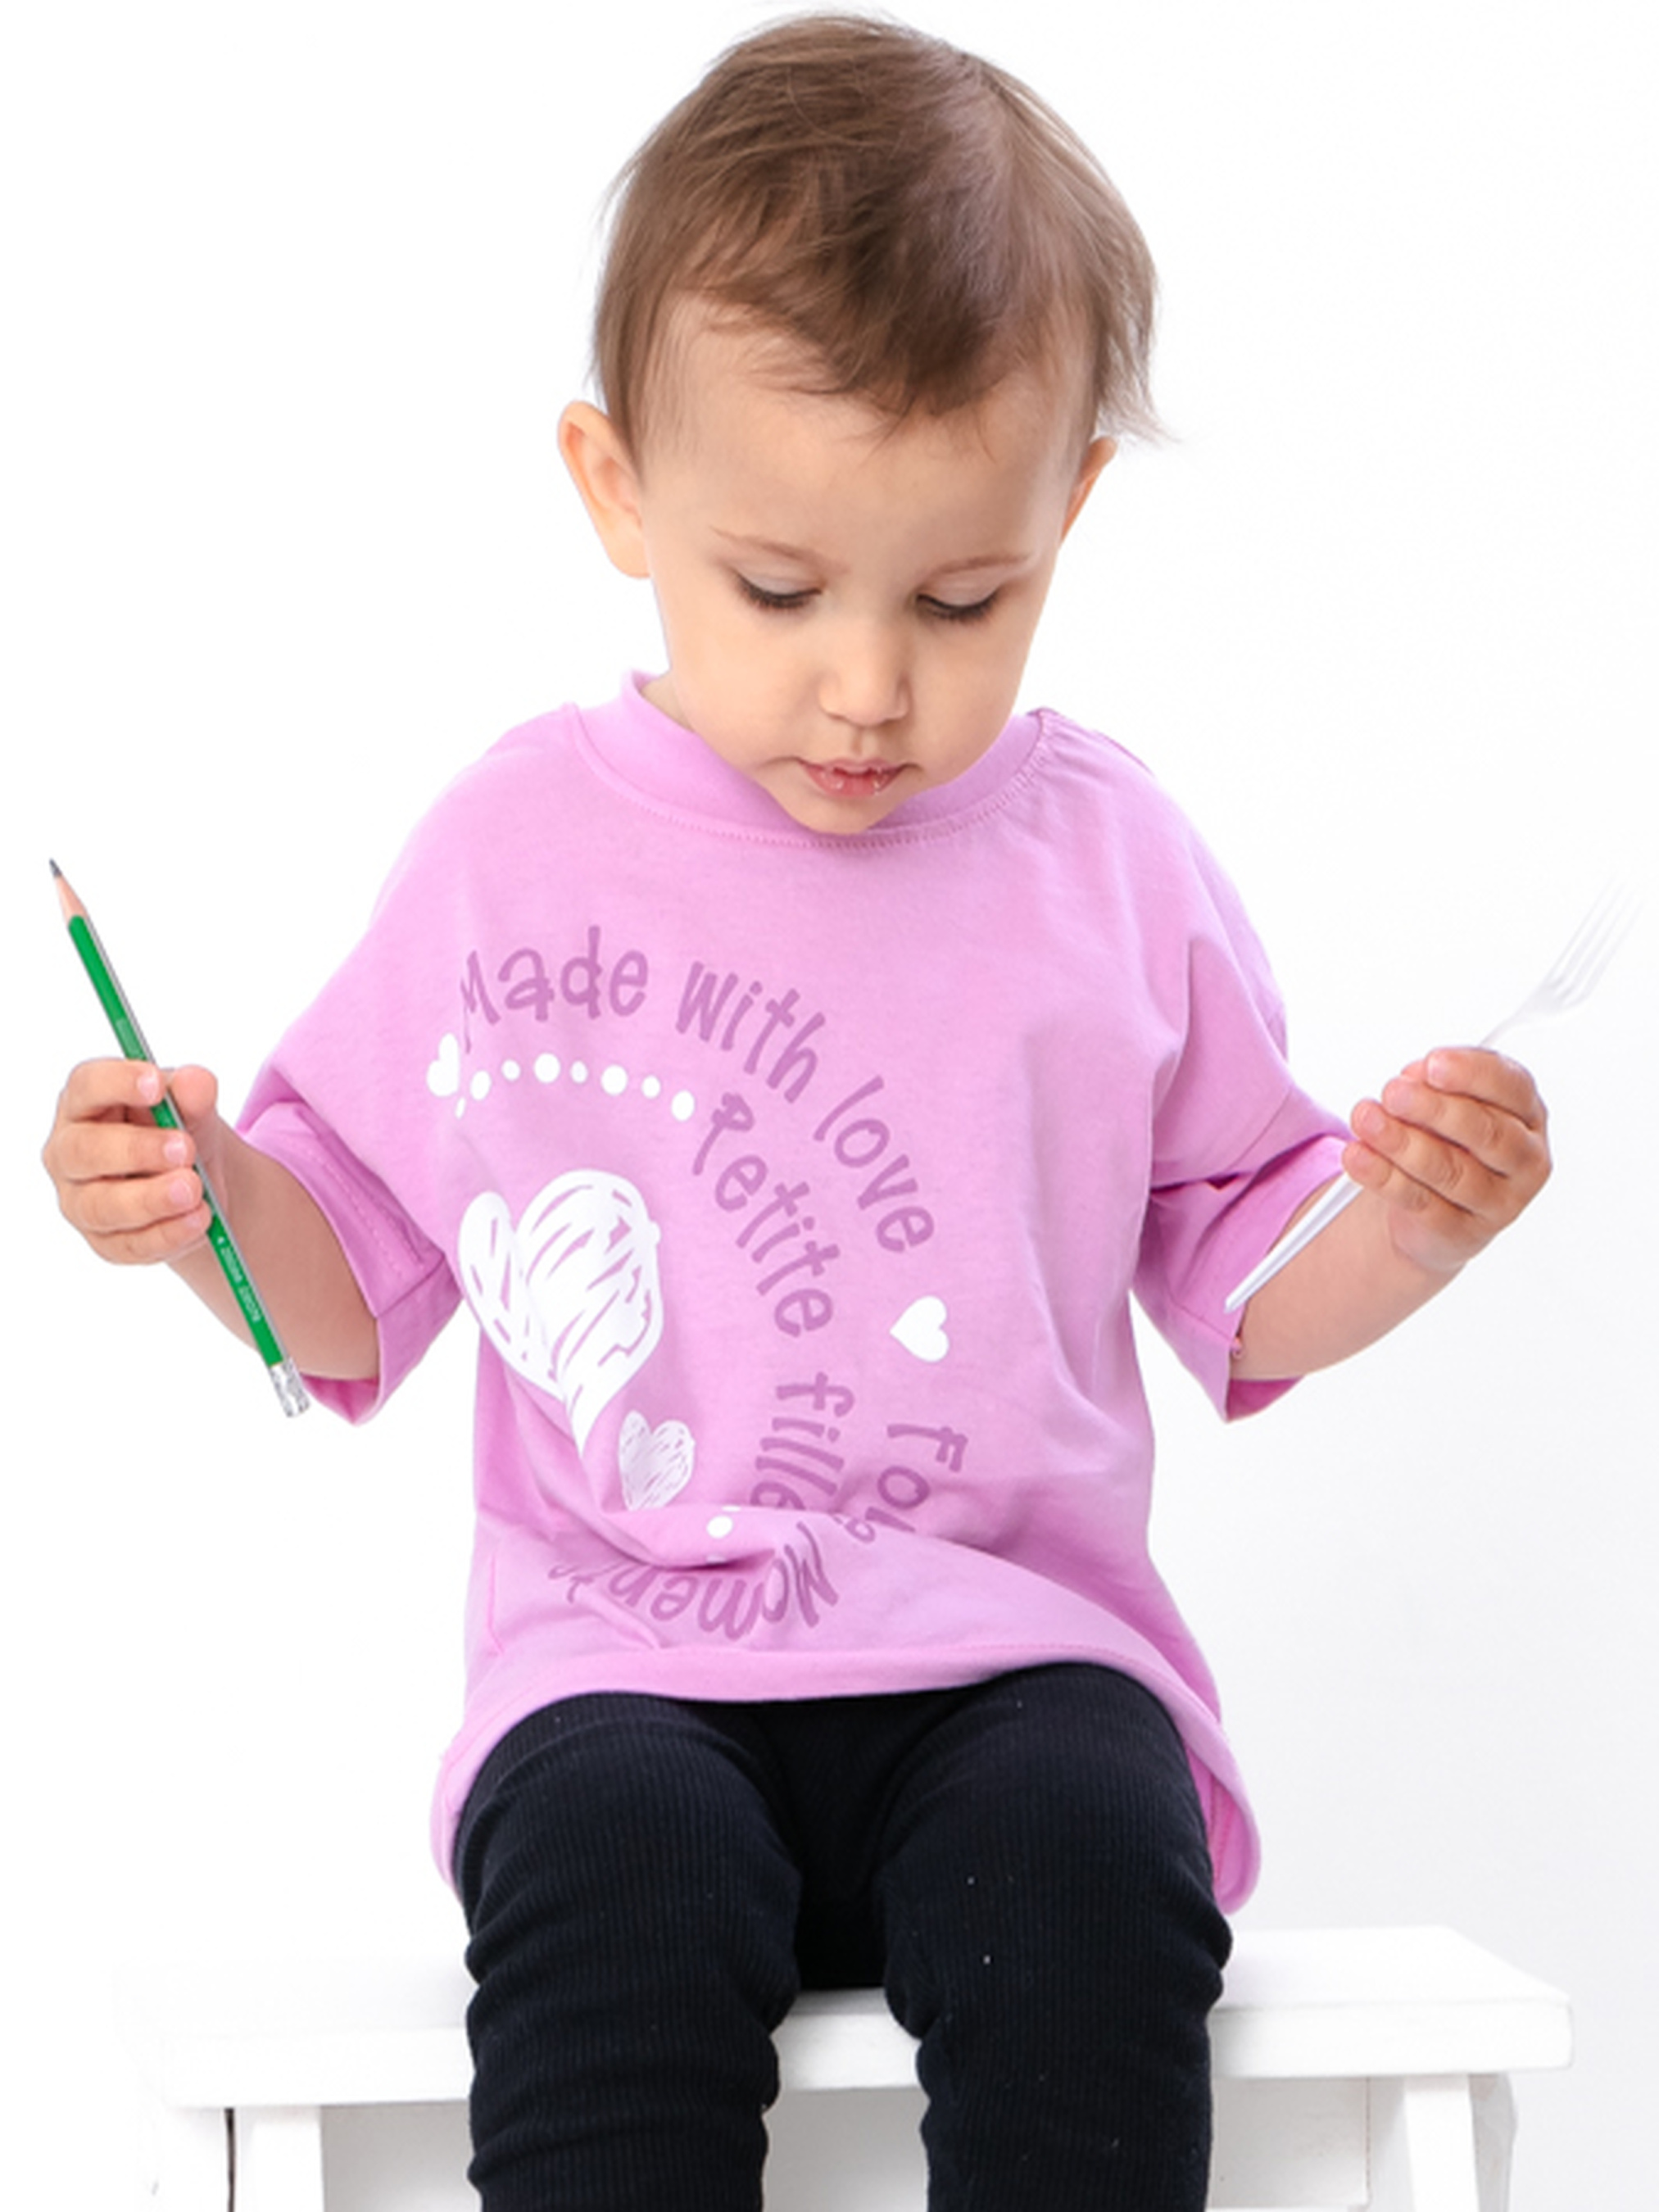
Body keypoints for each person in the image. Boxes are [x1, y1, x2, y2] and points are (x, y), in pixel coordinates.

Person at [42, 16, 1551, 2210]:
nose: (868, 686)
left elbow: (1246, 1279)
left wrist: (1405, 1222)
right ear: (614, 489)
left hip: (1013, 1658)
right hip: (623, 1665)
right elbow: (350, 1280)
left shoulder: (1108, 858)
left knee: (1091, 1884)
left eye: (962, 598)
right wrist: (202, 1205)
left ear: (1065, 511)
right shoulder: (509, 848)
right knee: (610, 1907)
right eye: (778, 591)